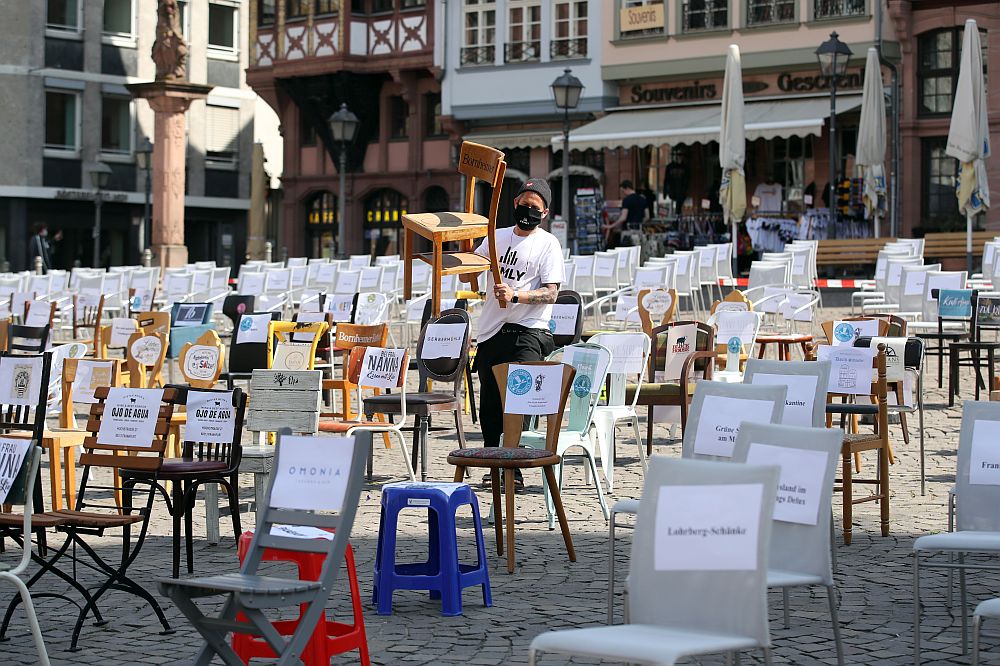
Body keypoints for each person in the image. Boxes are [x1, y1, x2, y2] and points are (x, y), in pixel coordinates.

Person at [464, 178, 564, 489]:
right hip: (492, 331)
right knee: (491, 402)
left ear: (544, 212)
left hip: (528, 331)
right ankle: (492, 461)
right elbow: (470, 273)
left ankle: (514, 465)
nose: (528, 211)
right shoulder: (496, 238)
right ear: (515, 204)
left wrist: (517, 295)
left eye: (535, 208)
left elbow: (551, 294)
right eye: (524, 205)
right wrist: (466, 248)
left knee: (517, 399)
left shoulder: (548, 244)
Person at [603, 180, 648, 249]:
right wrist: (639, 222)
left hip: (627, 232)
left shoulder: (626, 200)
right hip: (639, 232)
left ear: (627, 188)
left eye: (623, 191)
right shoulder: (643, 199)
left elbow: (623, 217)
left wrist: (611, 226)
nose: (623, 193)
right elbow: (647, 216)